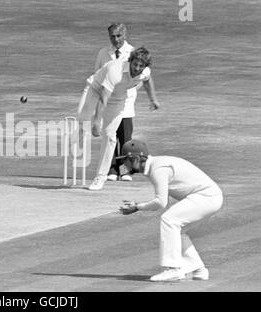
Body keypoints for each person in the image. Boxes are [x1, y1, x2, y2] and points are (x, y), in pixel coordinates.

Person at [118, 140, 223, 282]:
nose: (124, 165)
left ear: (135, 159)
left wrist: (137, 207)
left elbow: (161, 202)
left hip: (206, 197)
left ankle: (173, 269)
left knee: (169, 220)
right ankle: (199, 269)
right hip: (209, 197)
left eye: (126, 161)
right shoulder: (155, 167)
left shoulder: (158, 169)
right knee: (176, 228)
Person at [77, 23, 157, 183]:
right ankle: (78, 144)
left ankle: (102, 177)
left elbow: (147, 80)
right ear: (130, 61)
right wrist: (96, 122)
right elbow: (103, 96)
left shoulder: (144, 71)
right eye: (135, 64)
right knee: (82, 121)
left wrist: (152, 99)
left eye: (141, 66)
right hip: (96, 89)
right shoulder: (115, 70)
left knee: (111, 135)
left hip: (121, 98)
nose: (137, 68)